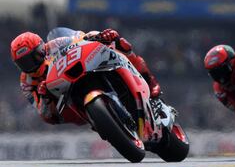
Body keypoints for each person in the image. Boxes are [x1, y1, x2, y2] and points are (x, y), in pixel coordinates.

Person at [10, 28, 162, 125]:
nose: (30, 65)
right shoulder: (26, 82)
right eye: (24, 63)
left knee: (117, 42)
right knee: (57, 117)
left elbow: (80, 38)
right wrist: (44, 97)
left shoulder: (55, 45)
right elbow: (45, 115)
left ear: (42, 48)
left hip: (80, 69)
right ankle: (100, 120)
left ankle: (148, 80)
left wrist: (99, 36)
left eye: (32, 58)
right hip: (65, 99)